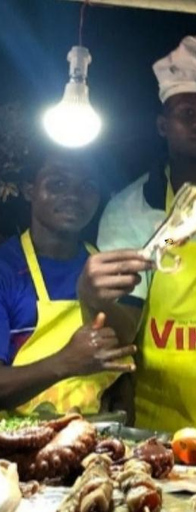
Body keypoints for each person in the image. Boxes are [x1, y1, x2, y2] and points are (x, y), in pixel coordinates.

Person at [97, 35, 196, 438]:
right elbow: (119, 334)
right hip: (158, 429)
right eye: (186, 111)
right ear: (162, 125)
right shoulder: (130, 210)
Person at [0, 143, 148, 415]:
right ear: (29, 189)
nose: (73, 197)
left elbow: (123, 356)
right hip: (15, 449)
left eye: (88, 187)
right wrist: (65, 362)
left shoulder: (105, 265)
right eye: (57, 184)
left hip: (95, 442)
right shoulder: (6, 269)